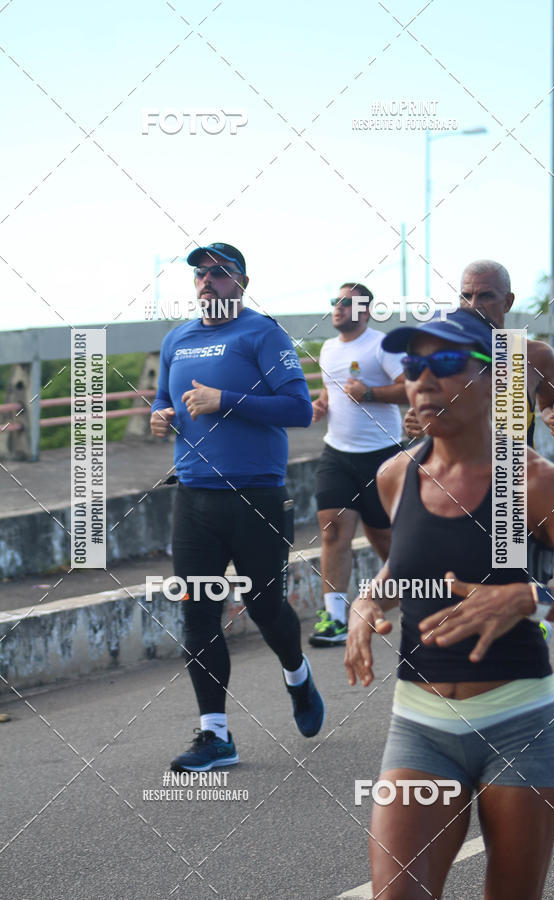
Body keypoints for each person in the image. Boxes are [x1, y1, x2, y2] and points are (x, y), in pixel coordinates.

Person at [345, 308, 554, 899]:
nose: (423, 380)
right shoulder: (394, 476)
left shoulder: (534, 482)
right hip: (420, 725)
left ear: (493, 380)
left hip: (519, 724)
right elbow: (402, 565)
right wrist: (368, 598)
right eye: (413, 365)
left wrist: (530, 599)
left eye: (448, 362)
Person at [150, 242, 325, 772]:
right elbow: (163, 399)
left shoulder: (263, 333)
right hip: (194, 495)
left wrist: (226, 401)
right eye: (200, 273)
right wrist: (162, 417)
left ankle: (296, 673)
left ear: (241, 282)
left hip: (257, 495)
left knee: (266, 607)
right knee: (197, 612)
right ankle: (216, 735)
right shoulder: (176, 339)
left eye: (220, 272)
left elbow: (299, 409)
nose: (207, 280)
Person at [309, 282, 407, 647]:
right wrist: (322, 405)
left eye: (346, 303)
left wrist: (370, 393)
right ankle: (334, 619)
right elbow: (330, 390)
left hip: (383, 456)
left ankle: (415, 598)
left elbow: (411, 388)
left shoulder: (382, 344)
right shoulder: (328, 348)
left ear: (365, 311)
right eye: (335, 301)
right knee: (333, 532)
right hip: (337, 453)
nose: (337, 307)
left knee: (384, 538)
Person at [403, 260, 554, 445]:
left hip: (510, 471)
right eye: (466, 296)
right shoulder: (443, 354)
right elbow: (423, 408)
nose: (473, 305)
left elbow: (551, 404)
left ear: (508, 302)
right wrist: (416, 421)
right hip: (456, 471)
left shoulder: (535, 354)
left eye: (485, 296)